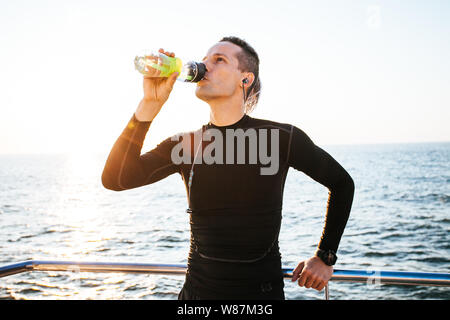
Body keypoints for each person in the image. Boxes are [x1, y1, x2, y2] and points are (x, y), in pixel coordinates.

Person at [101, 36, 355, 300]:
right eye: (205, 59)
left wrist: (325, 256)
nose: (204, 65)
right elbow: (116, 178)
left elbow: (342, 184)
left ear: (245, 79)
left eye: (219, 60)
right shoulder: (186, 145)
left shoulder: (281, 138)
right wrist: (149, 105)